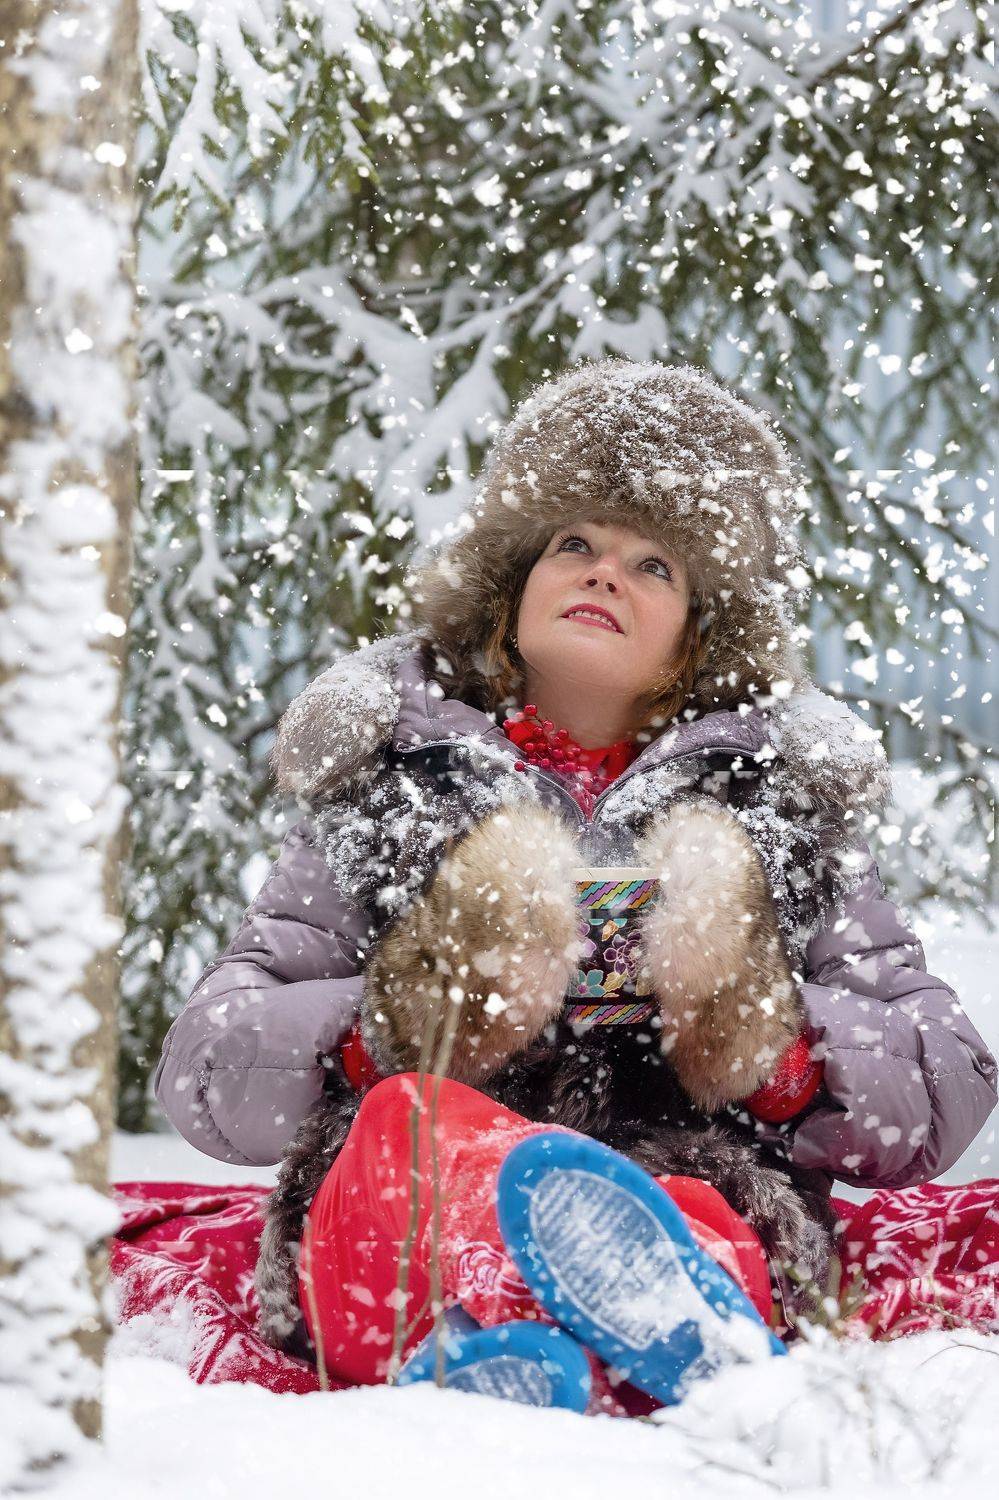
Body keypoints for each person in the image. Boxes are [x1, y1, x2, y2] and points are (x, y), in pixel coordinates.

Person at [154, 359, 996, 1416]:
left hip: (689, 1191)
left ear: (701, 637)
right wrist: (403, 1020)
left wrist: (761, 1038)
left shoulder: (782, 815)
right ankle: (502, 1342)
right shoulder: (391, 794)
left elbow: (945, 1087)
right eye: (575, 544)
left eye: (656, 564)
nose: (604, 574)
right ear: (510, 587)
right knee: (404, 1138)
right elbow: (207, 1068)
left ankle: (605, 1325)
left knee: (692, 1213)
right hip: (432, 1187)